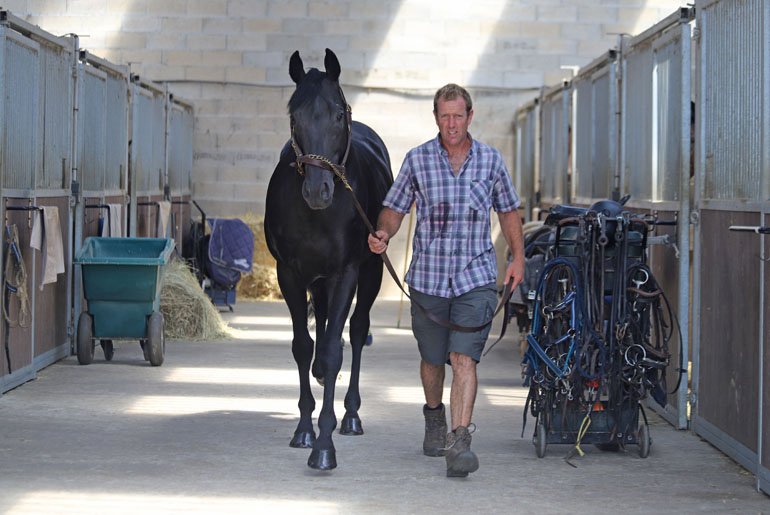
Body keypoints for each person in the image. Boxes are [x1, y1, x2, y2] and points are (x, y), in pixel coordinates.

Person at [368, 84, 525, 477]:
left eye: (458, 116)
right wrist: (383, 233)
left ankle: (460, 442)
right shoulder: (417, 160)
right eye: (445, 116)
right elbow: (394, 208)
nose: (452, 124)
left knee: (463, 358)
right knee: (433, 359)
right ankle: (434, 416)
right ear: (436, 118)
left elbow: (508, 212)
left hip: (476, 278)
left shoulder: (490, 160)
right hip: (429, 280)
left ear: (470, 116)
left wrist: (518, 258)